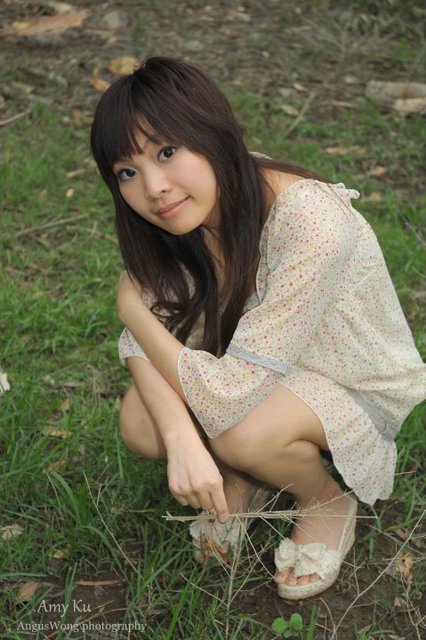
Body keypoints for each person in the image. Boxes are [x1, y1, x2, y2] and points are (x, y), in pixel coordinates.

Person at [90, 56, 426, 600]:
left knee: (238, 429)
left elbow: (216, 389)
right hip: (253, 364)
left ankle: (324, 500)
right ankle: (243, 476)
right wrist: (180, 438)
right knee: (141, 421)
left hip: (348, 382)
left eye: (167, 151)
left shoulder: (309, 219)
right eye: (128, 171)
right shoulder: (184, 209)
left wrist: (131, 308)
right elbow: (145, 339)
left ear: (211, 131)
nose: (154, 187)